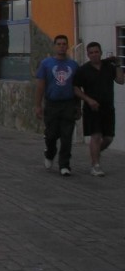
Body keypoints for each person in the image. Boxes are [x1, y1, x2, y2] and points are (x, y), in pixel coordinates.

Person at [73, 42, 124, 177]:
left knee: (108, 138)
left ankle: (95, 153)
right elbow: (76, 88)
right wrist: (88, 100)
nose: (94, 55)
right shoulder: (83, 70)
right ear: (88, 54)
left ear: (101, 53)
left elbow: (121, 80)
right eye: (91, 53)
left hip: (108, 108)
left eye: (96, 52)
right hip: (92, 109)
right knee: (96, 136)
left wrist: (118, 64)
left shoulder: (109, 67)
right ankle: (95, 165)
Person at [35, 34, 80, 176]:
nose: (61, 46)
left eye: (64, 44)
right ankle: (50, 153)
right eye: (59, 44)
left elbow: (77, 87)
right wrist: (38, 105)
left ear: (67, 46)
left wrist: (78, 106)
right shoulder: (46, 64)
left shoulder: (73, 65)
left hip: (68, 104)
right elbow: (41, 86)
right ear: (55, 46)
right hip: (52, 104)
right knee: (51, 135)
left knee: (67, 136)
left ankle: (64, 165)